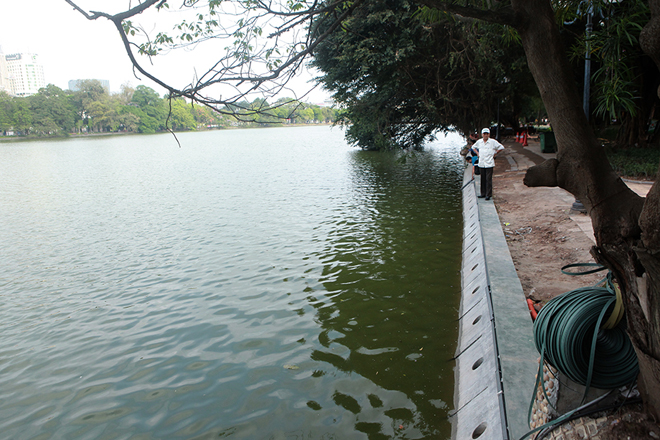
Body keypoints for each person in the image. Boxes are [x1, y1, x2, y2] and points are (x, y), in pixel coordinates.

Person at [474, 128, 504, 200]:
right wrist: (478, 153)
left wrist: (495, 153)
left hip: (489, 163)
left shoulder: (492, 142)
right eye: (484, 134)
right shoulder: (479, 142)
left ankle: (488, 194)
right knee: (483, 179)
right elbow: (473, 147)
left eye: (487, 134)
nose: (485, 135)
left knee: (488, 179)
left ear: (489, 134)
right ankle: (483, 193)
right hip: (481, 163)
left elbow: (501, 147)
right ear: (482, 134)